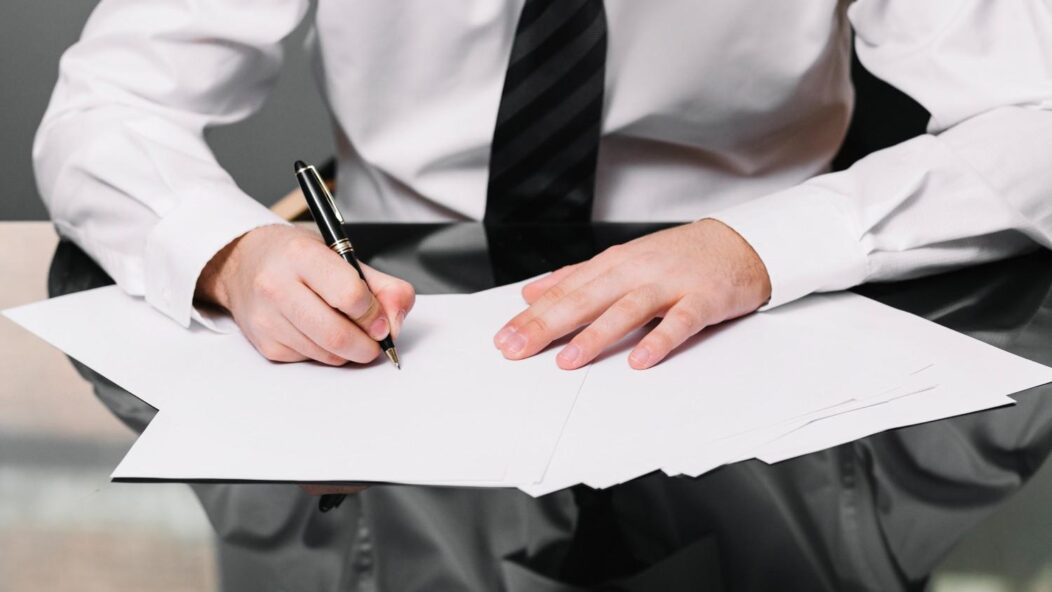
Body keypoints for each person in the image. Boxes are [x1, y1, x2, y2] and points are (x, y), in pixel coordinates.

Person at [33, 0, 1052, 589]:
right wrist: (230, 252)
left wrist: (760, 244)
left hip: (766, 336)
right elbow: (106, 107)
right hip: (404, 319)